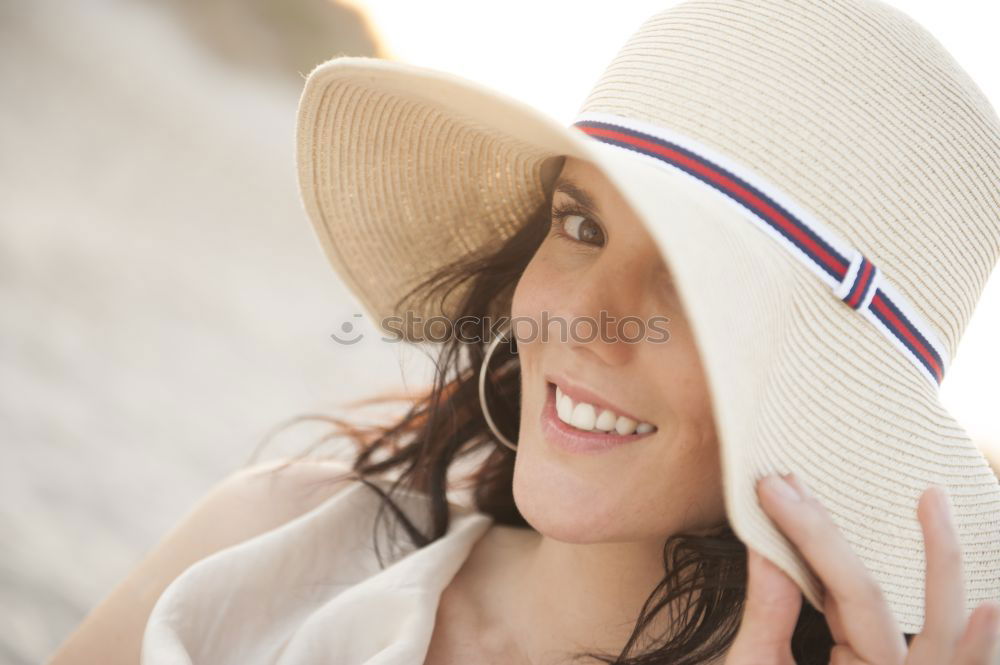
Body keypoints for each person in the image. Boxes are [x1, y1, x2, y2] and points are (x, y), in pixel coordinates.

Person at [49, 1, 1000, 663]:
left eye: (696, 286)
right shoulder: (269, 544)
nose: (589, 314)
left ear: (825, 404)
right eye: (580, 224)